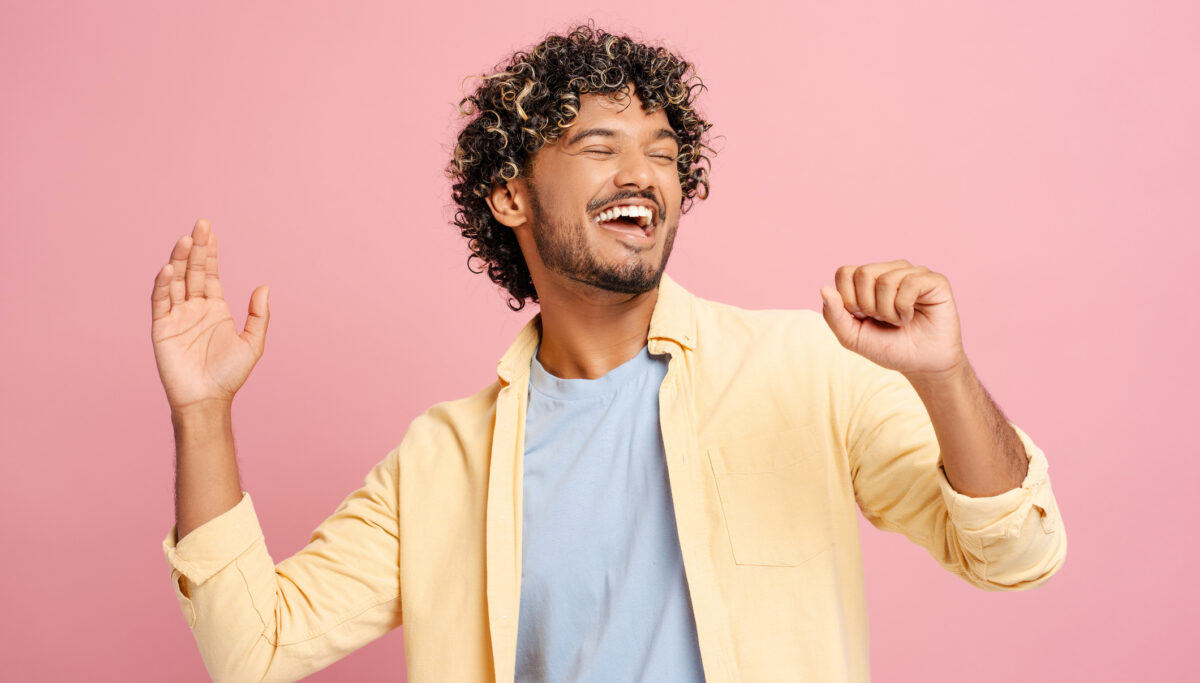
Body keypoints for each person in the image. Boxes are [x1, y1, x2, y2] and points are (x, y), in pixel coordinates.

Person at [154, 24, 1065, 683]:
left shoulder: (808, 368)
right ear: (510, 197)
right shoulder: (440, 462)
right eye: (601, 147)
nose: (643, 175)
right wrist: (202, 415)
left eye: (664, 155)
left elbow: (1015, 552)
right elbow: (251, 649)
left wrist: (944, 377)